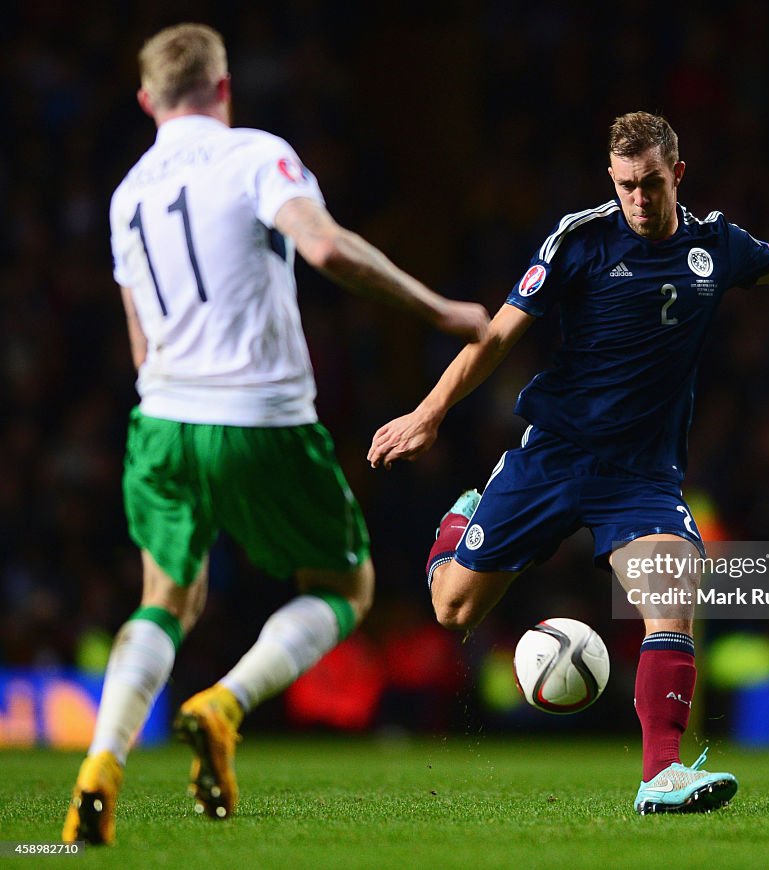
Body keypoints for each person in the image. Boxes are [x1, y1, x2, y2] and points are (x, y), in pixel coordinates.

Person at [368, 110, 769, 814]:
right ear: (610, 180)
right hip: (552, 456)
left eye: (650, 184)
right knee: (451, 611)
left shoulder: (716, 246)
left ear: (677, 174)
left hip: (640, 477)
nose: (638, 200)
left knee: (671, 597)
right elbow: (495, 336)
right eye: (625, 186)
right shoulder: (580, 239)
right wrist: (428, 415)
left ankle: (661, 774)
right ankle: (460, 523)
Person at [62, 22, 489, 846]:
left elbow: (140, 341)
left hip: (161, 421)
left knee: (166, 600)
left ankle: (100, 766)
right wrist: (439, 310)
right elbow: (325, 248)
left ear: (148, 101)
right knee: (344, 587)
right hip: (258, 416)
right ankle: (224, 705)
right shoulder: (254, 153)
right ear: (223, 89)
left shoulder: (127, 193)